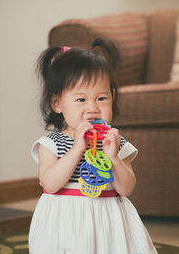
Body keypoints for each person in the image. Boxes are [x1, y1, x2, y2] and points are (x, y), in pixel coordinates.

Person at [29, 38, 158, 254]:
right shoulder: (51, 144)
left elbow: (126, 188)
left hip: (109, 222)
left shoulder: (115, 142)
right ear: (57, 103)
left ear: (112, 97)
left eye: (101, 98)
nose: (93, 108)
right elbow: (49, 184)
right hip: (66, 224)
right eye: (81, 100)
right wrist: (77, 149)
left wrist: (113, 157)